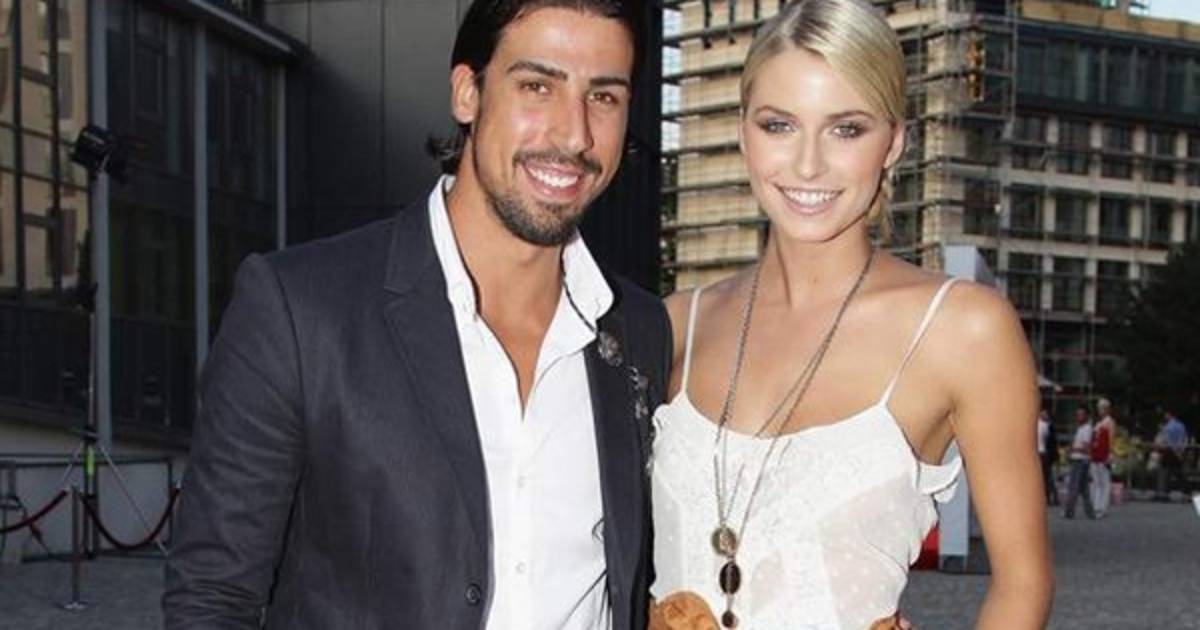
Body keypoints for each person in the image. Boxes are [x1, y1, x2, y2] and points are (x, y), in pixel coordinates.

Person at [163, 2, 671, 629]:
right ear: (467, 92)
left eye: (604, 97)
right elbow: (212, 598)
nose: (573, 135)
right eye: (537, 86)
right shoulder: (300, 309)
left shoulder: (640, 332)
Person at [648, 1, 1053, 628]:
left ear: (894, 141)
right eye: (779, 125)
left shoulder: (962, 329)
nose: (808, 164)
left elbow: (1023, 585)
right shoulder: (676, 324)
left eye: (846, 129)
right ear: (744, 132)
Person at [1063, 406, 1095, 520]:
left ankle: (1069, 511)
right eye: (1077, 414)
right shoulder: (1081, 428)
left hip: (1080, 460)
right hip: (1080, 459)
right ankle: (1090, 512)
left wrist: (1072, 449)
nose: (1078, 417)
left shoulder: (1086, 429)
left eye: (1081, 414)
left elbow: (1086, 448)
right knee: (1084, 488)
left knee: (1074, 486)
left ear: (1086, 416)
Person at [1153, 408, 1190, 501]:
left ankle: (1163, 493)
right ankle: (1186, 493)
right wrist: (1181, 450)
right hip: (1178, 451)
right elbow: (1185, 439)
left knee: (1164, 472)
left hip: (1168, 451)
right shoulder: (1181, 426)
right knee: (1179, 473)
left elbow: (1166, 439)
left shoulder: (1166, 427)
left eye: (1166, 414)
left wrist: (1162, 446)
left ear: (1169, 415)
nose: (1164, 416)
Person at [1089, 398, 1116, 517]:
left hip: (1104, 454)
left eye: (1101, 408)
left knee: (1104, 482)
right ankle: (1096, 505)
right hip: (1096, 454)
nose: (1099, 410)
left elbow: (1110, 440)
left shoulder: (1109, 422)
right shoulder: (1099, 422)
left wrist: (1109, 455)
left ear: (1107, 409)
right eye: (1099, 408)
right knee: (1097, 481)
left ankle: (1102, 507)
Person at [1038, 409, 1059, 506]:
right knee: (1048, 477)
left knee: (1047, 478)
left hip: (1043, 454)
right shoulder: (1047, 426)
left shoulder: (1044, 425)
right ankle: (1051, 497)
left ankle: (1049, 497)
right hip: (1045, 454)